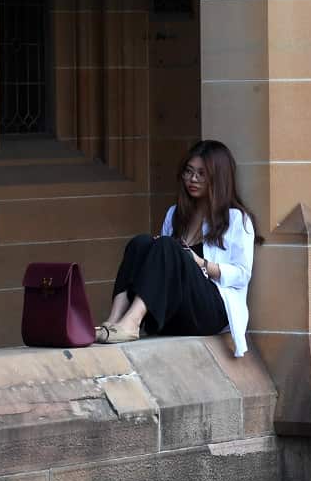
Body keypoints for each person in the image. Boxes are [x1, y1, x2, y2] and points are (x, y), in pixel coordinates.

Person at [95, 139, 262, 356]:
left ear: (218, 178)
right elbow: (162, 270)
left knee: (167, 245)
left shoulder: (236, 219)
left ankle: (132, 323)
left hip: (210, 312)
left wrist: (200, 262)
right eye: (189, 172)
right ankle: (114, 321)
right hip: (175, 312)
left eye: (202, 174)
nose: (193, 179)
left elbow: (242, 275)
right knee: (141, 243)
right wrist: (159, 251)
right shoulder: (175, 214)